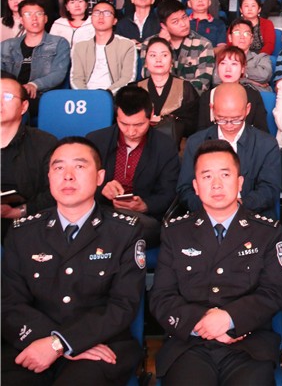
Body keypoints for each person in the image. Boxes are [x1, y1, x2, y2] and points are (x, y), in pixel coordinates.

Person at [1, 137, 146, 386]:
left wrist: (63, 342)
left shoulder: (124, 232)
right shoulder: (22, 232)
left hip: (99, 347)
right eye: (58, 167)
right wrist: (49, 341)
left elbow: (122, 305)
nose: (67, 176)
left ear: (100, 177)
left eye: (79, 166)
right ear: (49, 176)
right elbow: (9, 302)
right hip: (32, 341)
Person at [151, 140, 282, 386]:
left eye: (225, 175)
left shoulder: (266, 231)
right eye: (206, 176)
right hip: (189, 344)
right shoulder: (175, 232)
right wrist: (204, 323)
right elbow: (161, 296)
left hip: (249, 345)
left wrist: (230, 319)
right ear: (195, 186)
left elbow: (274, 292)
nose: (216, 184)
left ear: (240, 182)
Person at [178, 83, 281, 219]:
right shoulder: (196, 142)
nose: (229, 125)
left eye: (236, 119)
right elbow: (185, 190)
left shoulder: (266, 144)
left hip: (253, 217)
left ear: (247, 109)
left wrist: (237, 207)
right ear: (212, 109)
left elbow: (270, 190)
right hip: (206, 217)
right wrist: (212, 207)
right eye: (221, 119)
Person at [86, 85, 179, 225]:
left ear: (151, 116)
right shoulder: (96, 140)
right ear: (116, 117)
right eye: (124, 124)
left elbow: (169, 193)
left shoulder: (165, 146)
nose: (131, 132)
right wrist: (101, 188)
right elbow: (81, 182)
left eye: (139, 125)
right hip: (100, 213)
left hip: (142, 220)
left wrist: (145, 205)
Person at [0, 75, 57, 234]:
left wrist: (16, 212)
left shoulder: (44, 143)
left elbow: (54, 192)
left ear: (24, 107)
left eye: (7, 96)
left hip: (30, 224)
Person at [0, 0, 70, 104]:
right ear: (21, 20)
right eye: (28, 14)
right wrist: (16, 89)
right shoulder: (6, 45)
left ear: (45, 18)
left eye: (39, 14)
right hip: (11, 97)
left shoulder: (59, 43)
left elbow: (58, 74)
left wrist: (34, 85)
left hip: (42, 97)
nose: (34, 18)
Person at [140, 0, 215, 93]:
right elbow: (148, 77)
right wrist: (163, 45)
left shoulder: (203, 44)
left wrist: (174, 92)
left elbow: (203, 83)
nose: (183, 24)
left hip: (190, 99)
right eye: (175, 22)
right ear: (164, 26)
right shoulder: (149, 44)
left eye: (184, 17)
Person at [134, 36, 199, 143]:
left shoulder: (185, 88)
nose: (158, 60)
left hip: (176, 146)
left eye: (164, 55)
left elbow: (192, 125)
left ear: (172, 61)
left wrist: (166, 121)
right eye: (153, 55)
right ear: (145, 62)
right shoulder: (136, 89)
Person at [199, 46, 270, 133]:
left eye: (234, 64)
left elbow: (262, 132)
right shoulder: (207, 96)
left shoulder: (253, 96)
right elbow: (200, 134)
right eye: (223, 63)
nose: (228, 69)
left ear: (243, 69)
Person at [69, 1, 136, 93]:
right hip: (85, 96)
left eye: (107, 13)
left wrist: (106, 95)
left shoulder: (127, 45)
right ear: (91, 19)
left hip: (115, 95)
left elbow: (127, 78)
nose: (101, 16)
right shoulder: (80, 47)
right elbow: (76, 78)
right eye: (96, 13)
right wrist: (86, 95)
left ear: (115, 21)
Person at [218, 19, 272, 91]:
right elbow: (216, 80)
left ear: (251, 39)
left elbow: (264, 76)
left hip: (255, 94)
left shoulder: (261, 57)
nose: (242, 37)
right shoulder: (222, 57)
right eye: (237, 32)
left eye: (246, 33)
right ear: (230, 38)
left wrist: (235, 75)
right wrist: (247, 81)